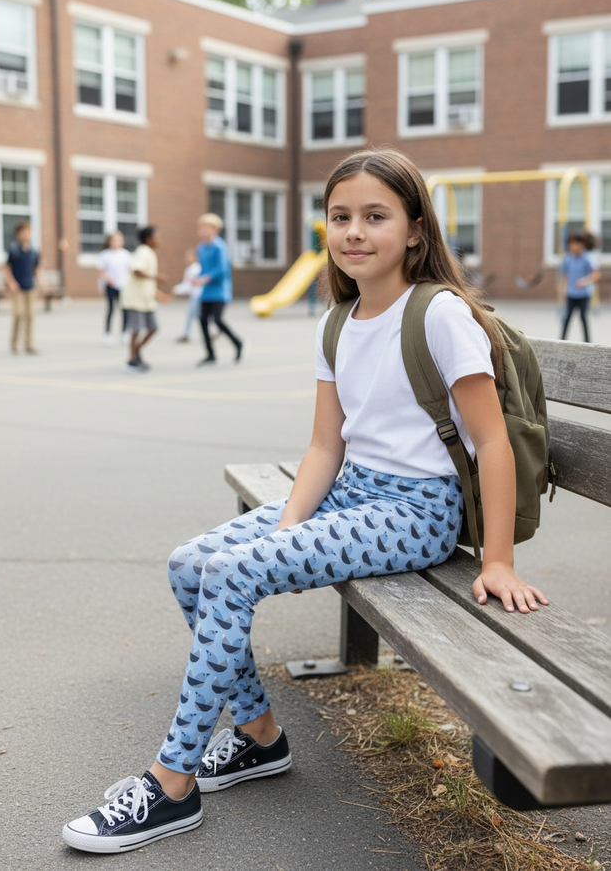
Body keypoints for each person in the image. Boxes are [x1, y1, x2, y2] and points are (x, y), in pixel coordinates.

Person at [62, 148, 549, 855]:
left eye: (375, 216)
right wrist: (287, 531)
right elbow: (325, 446)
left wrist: (497, 560)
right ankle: (260, 738)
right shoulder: (338, 322)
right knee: (190, 562)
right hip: (351, 494)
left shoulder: (440, 315)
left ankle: (171, 783)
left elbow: (492, 442)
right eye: (339, 217)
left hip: (417, 512)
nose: (354, 231)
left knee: (232, 573)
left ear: (415, 229)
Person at [194, 213, 243, 366]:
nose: (204, 230)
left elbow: (222, 269)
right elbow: (203, 269)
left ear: (215, 229)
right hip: (206, 291)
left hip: (220, 290)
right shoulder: (201, 248)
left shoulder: (220, 247)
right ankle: (210, 354)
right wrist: (197, 278)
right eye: (202, 227)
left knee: (217, 320)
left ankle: (237, 342)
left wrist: (205, 278)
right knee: (202, 320)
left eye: (207, 227)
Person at [120, 226, 169, 372]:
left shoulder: (150, 253)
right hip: (135, 299)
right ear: (148, 239)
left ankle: (136, 352)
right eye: (156, 237)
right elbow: (137, 271)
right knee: (136, 330)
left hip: (146, 299)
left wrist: (158, 294)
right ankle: (132, 360)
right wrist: (156, 277)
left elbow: (147, 282)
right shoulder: (142, 251)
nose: (159, 240)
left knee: (153, 328)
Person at [3, 221, 46, 354]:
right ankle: (14, 343)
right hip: (17, 288)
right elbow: (6, 268)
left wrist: (41, 281)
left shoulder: (33, 250)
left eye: (29, 232)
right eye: (24, 232)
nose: (27, 235)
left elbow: (37, 268)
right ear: (18, 234)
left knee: (30, 315)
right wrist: (11, 283)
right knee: (19, 313)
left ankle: (29, 344)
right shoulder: (13, 249)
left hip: (30, 287)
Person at [559, 230, 601, 343]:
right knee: (567, 317)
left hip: (584, 294)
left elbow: (596, 274)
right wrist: (562, 288)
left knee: (583, 317)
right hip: (571, 293)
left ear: (582, 245)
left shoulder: (588, 258)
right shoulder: (568, 258)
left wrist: (585, 281)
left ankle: (587, 340)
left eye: (575, 244)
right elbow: (565, 275)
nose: (572, 246)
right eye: (570, 244)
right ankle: (562, 339)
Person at [96, 231, 132, 345]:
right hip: (111, 286)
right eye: (114, 240)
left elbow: (130, 270)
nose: (116, 242)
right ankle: (107, 334)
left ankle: (124, 333)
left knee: (125, 310)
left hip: (123, 286)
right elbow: (99, 270)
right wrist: (107, 279)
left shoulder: (126, 255)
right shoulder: (105, 255)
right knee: (111, 309)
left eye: (118, 240)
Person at [174, 249, 203, 342]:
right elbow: (186, 284)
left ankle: (186, 334)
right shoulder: (189, 269)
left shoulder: (195, 269)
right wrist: (176, 289)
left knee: (194, 315)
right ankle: (212, 331)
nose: (187, 259)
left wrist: (176, 290)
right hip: (194, 295)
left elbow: (189, 285)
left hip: (198, 295)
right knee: (197, 315)